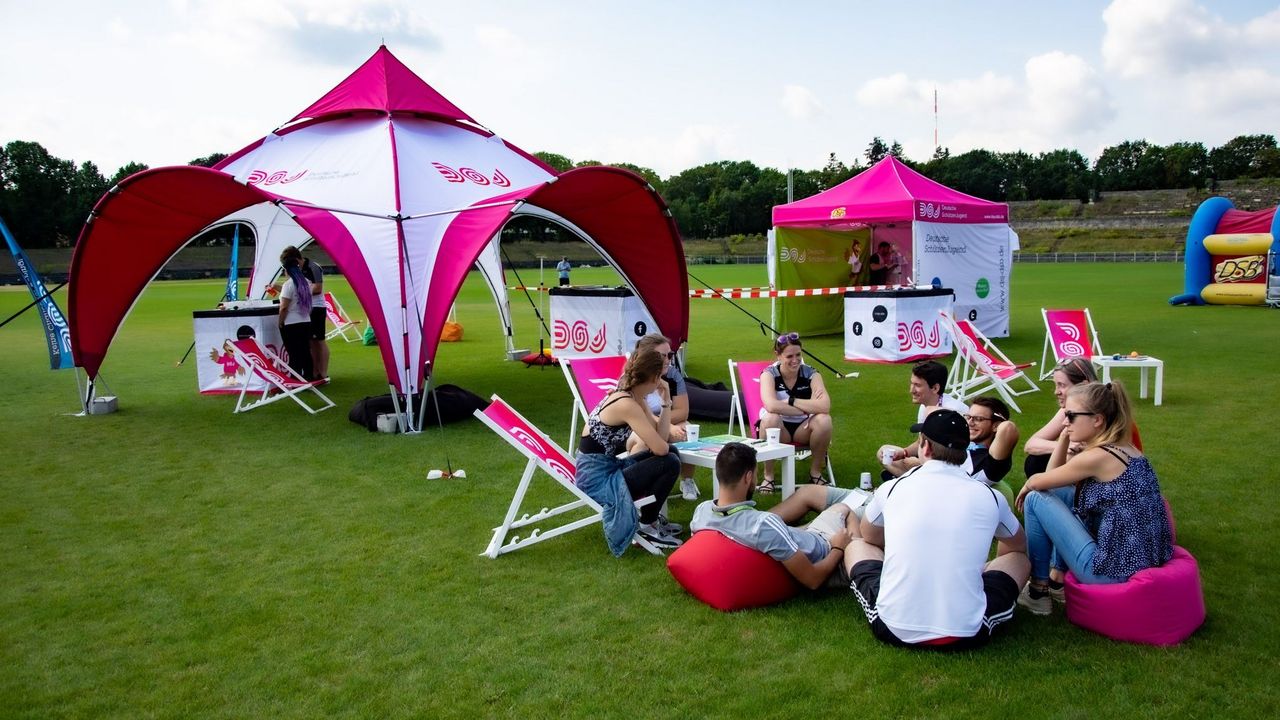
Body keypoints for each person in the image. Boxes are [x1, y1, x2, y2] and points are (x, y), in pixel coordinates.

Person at [844, 409, 1030, 649]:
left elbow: (869, 536)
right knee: (1019, 560)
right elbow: (1017, 546)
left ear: (926, 447)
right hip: (966, 630)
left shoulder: (894, 488)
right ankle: (964, 585)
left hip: (896, 626)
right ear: (964, 453)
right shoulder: (989, 496)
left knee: (858, 546)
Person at [1015, 381, 1173, 615]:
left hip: (1110, 573)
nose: (1065, 422)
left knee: (1036, 498)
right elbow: (1056, 480)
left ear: (1097, 419)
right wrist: (1065, 437)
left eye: (1071, 416)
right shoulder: (1127, 449)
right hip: (1141, 561)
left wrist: (1028, 484)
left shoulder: (1097, 457)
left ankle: (1038, 591)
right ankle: (1057, 581)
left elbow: (1042, 479)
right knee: (1064, 493)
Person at [690, 443, 853, 589]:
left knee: (811, 506)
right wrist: (838, 547)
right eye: (755, 474)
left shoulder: (702, 512)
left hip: (796, 537)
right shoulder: (763, 524)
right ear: (748, 477)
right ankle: (862, 569)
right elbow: (812, 579)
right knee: (845, 509)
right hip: (824, 547)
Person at [574, 350, 683, 553]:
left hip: (606, 469)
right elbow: (660, 447)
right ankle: (646, 526)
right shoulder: (627, 404)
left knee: (673, 454)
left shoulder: (632, 396)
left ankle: (649, 522)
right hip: (597, 480)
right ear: (652, 377)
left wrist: (666, 401)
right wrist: (661, 442)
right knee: (669, 461)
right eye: (660, 376)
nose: (661, 381)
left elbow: (661, 437)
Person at [757, 333, 834, 492]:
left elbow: (825, 406)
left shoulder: (811, 373)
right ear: (778, 355)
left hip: (803, 428)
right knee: (770, 418)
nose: (795, 360)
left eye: (798, 354)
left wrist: (792, 401)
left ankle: (815, 472)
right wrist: (810, 406)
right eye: (789, 356)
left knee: (824, 420)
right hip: (779, 428)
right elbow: (771, 405)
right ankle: (768, 476)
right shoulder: (769, 374)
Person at [625, 334, 698, 501]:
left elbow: (682, 411)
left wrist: (665, 420)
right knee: (645, 441)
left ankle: (687, 480)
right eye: (662, 356)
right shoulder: (635, 378)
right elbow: (642, 415)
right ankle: (633, 490)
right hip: (634, 427)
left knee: (687, 429)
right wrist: (667, 425)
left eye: (670, 355)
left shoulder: (672, 375)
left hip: (660, 421)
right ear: (648, 357)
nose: (668, 360)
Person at [877, 360, 968, 479]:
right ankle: (907, 477)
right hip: (930, 459)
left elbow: (958, 455)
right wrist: (904, 453)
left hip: (952, 467)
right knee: (883, 452)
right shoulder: (924, 407)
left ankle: (906, 479)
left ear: (935, 388)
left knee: (908, 463)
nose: (911, 390)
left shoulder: (955, 411)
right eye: (911, 383)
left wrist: (919, 462)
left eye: (917, 385)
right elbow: (922, 441)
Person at [1023, 357, 1098, 478]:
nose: (1056, 392)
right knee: (1035, 460)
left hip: (1102, 482)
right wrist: (1066, 446)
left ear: (1084, 385)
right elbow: (1031, 444)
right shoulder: (1068, 411)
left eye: (1062, 385)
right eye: (1056, 385)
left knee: (1037, 465)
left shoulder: (1097, 414)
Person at [962, 396, 1019, 486]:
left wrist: (999, 419)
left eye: (979, 419)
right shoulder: (958, 444)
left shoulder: (991, 462)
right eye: (968, 417)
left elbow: (1008, 427)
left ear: (996, 426)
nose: (970, 423)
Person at [277, 246, 314, 380]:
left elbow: (284, 307)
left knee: (293, 353)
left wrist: (280, 321)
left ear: (286, 270)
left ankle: (295, 378)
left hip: (291, 322)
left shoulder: (288, 285)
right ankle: (309, 376)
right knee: (305, 352)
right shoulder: (307, 283)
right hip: (305, 320)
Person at [299, 247, 330, 383]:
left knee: (319, 340)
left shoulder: (313, 267)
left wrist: (301, 292)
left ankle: (323, 372)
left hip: (317, 307)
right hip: (306, 308)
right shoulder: (295, 269)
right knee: (310, 341)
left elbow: (318, 288)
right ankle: (314, 370)